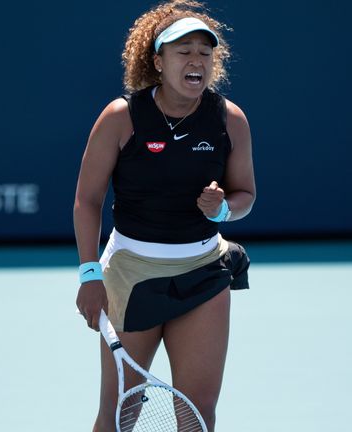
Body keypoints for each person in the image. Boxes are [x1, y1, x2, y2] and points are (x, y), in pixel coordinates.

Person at [73, 1, 255, 430]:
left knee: (197, 416)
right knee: (120, 414)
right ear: (158, 61)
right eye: (183, 51)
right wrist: (88, 274)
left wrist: (225, 208)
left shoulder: (230, 120)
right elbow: (87, 200)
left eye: (205, 53)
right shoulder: (121, 118)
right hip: (131, 275)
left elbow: (246, 195)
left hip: (205, 271)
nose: (196, 60)